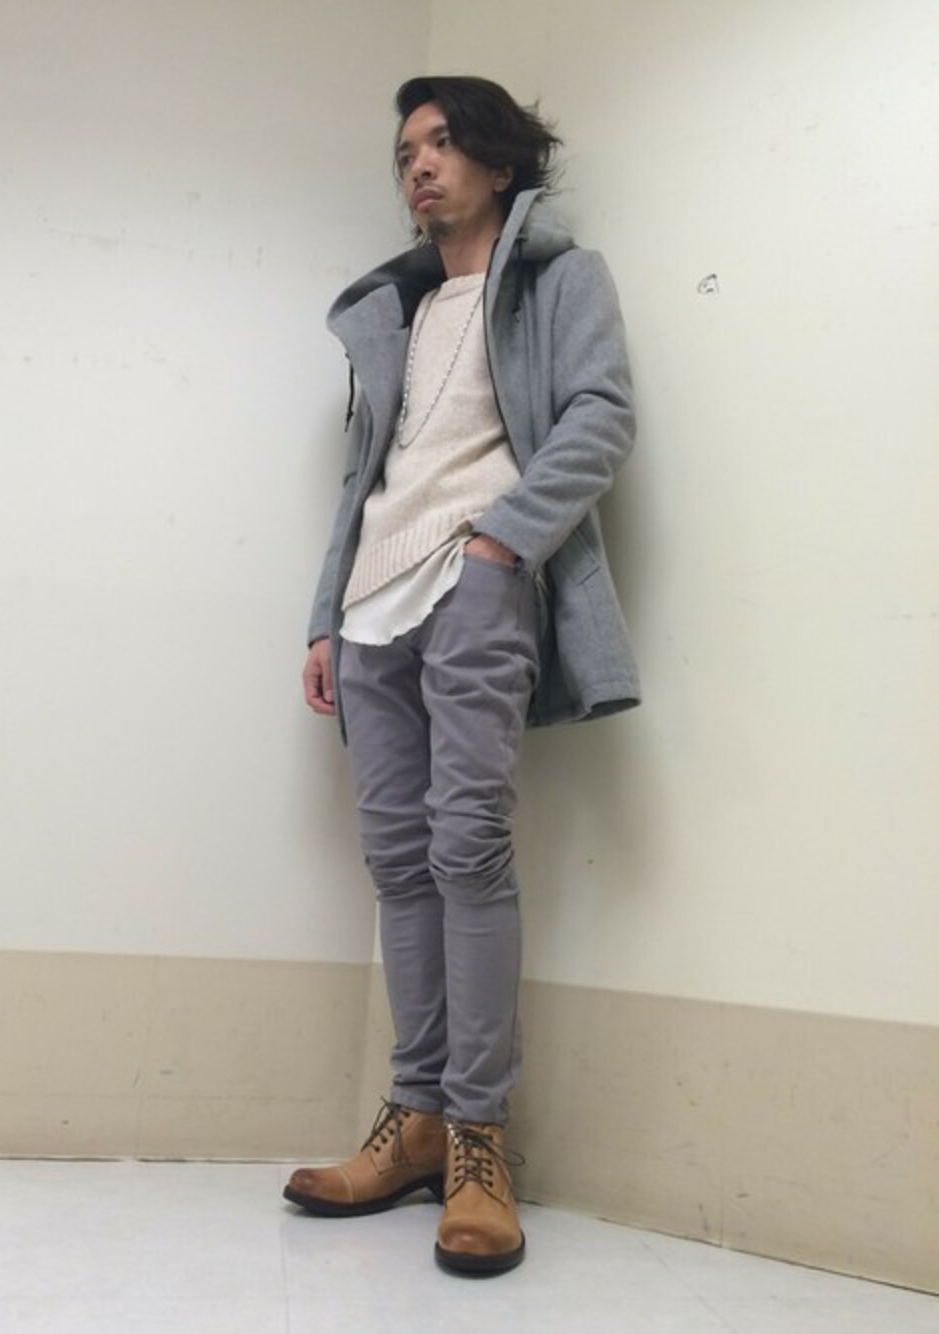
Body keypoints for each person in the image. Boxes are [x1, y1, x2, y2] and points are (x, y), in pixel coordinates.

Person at [285, 75, 638, 1276]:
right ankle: (416, 1115)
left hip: (474, 581)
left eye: (441, 144)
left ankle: (479, 1137)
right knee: (396, 860)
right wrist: (325, 616)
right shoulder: (397, 307)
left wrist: (500, 543)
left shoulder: (558, 279)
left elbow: (599, 416)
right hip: (372, 604)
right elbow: (365, 476)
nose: (419, 167)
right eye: (404, 155)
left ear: (497, 162)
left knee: (466, 846)